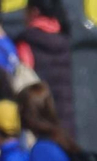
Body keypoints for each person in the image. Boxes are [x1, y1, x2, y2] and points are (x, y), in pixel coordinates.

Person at [14, 0, 71, 137]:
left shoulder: (26, 42)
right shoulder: (67, 40)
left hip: (40, 125)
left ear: (34, 12)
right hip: (67, 123)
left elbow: (23, 81)